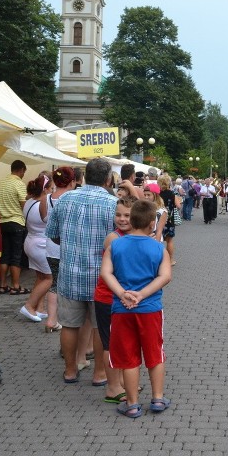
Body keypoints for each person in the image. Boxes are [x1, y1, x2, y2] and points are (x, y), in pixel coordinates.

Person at [45, 158, 118, 385]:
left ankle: (70, 371)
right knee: (100, 327)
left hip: (70, 273)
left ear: (84, 177)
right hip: (102, 277)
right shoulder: (113, 204)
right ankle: (99, 374)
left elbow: (53, 234)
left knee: (69, 325)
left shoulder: (65, 199)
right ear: (108, 179)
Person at [100, 199, 173, 418]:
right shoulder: (159, 248)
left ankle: (132, 403)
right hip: (149, 308)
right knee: (154, 353)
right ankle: (158, 398)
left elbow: (106, 273)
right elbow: (165, 276)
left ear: (130, 220)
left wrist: (123, 293)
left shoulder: (116, 245)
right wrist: (142, 294)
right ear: (153, 223)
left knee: (129, 357)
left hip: (122, 310)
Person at [93, 196, 136, 404]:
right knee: (110, 343)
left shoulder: (131, 236)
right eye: (118, 215)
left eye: (127, 215)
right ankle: (112, 387)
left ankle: (121, 381)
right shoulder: (114, 238)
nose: (122, 219)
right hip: (108, 297)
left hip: (124, 298)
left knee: (122, 342)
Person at [43, 167, 76, 334]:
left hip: (50, 246)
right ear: (72, 181)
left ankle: (51, 320)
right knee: (68, 285)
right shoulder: (72, 199)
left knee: (54, 283)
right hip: (68, 247)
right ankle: (65, 319)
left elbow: (44, 219)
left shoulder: (46, 198)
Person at [20, 174, 55, 325]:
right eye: (51, 188)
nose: (53, 191)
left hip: (30, 241)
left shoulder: (29, 202)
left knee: (41, 277)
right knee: (49, 279)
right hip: (40, 244)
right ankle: (29, 306)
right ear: (46, 189)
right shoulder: (42, 203)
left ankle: (39, 308)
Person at [0, 159, 29, 294]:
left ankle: (2, 285)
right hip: (17, 222)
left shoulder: (0, 184)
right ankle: (16, 286)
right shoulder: (18, 183)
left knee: (5, 255)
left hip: (2, 222)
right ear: (21, 170)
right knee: (16, 256)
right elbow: (23, 204)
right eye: (23, 172)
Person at [158, 174, 181, 266]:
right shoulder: (172, 194)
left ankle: (159, 260)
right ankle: (170, 260)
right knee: (169, 241)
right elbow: (179, 206)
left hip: (158, 220)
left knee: (158, 240)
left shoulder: (157, 194)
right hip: (169, 220)